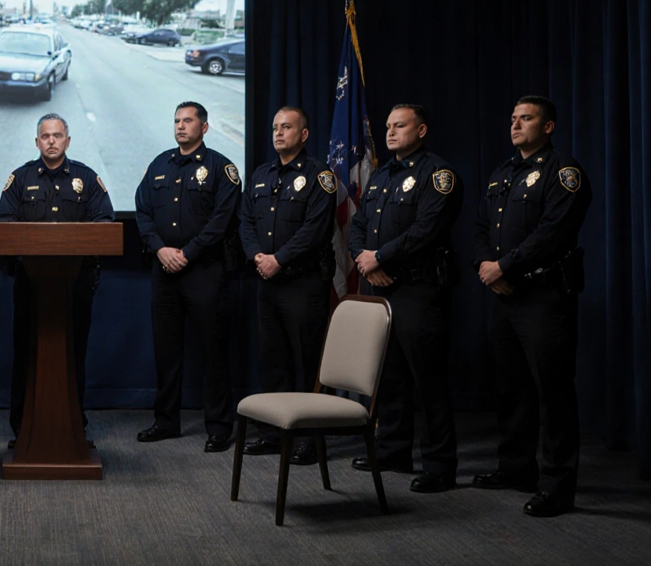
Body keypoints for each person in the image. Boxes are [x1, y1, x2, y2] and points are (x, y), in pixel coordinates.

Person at [471, 96, 592, 518]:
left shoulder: (564, 172)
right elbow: (482, 227)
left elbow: (553, 233)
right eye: (513, 118)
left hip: (544, 297)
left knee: (553, 392)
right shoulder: (502, 172)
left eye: (526, 118)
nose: (516, 125)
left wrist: (504, 265)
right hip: (505, 296)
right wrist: (488, 268)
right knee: (512, 389)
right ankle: (516, 468)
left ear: (549, 126)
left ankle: (558, 487)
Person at [348, 104, 463, 493]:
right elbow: (358, 225)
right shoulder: (382, 174)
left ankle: (439, 465)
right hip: (381, 285)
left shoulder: (438, 175)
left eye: (400, 125)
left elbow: (427, 228)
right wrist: (366, 262)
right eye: (388, 126)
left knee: (428, 380)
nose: (391, 132)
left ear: (422, 129)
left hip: (419, 288)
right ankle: (394, 450)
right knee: (390, 375)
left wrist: (379, 256)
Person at [0, 113, 114, 446]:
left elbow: (104, 222)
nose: (51, 141)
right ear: (37, 142)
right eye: (45, 136)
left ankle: (75, 426)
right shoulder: (19, 179)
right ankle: (22, 428)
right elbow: (4, 224)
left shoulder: (86, 178)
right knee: (26, 352)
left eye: (57, 135)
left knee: (73, 353)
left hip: (75, 285)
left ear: (68, 140)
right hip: (31, 285)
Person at [133, 102, 241, 452]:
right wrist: (160, 249)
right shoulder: (159, 165)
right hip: (164, 270)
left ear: (204, 128)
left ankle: (220, 427)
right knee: (167, 352)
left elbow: (222, 221)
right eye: (177, 120)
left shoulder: (221, 168)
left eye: (188, 121)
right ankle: (166, 422)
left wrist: (187, 253)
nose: (181, 126)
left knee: (214, 351)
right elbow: (143, 211)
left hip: (205, 271)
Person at [237, 106, 336, 465]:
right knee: (273, 359)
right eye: (275, 127)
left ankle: (309, 438)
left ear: (303, 134)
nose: (279, 133)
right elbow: (245, 221)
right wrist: (257, 257)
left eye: (287, 127)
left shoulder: (319, 176)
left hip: (303, 282)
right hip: (267, 281)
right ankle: (274, 434)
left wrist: (279, 259)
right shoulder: (261, 175)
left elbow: (316, 229)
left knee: (306, 360)